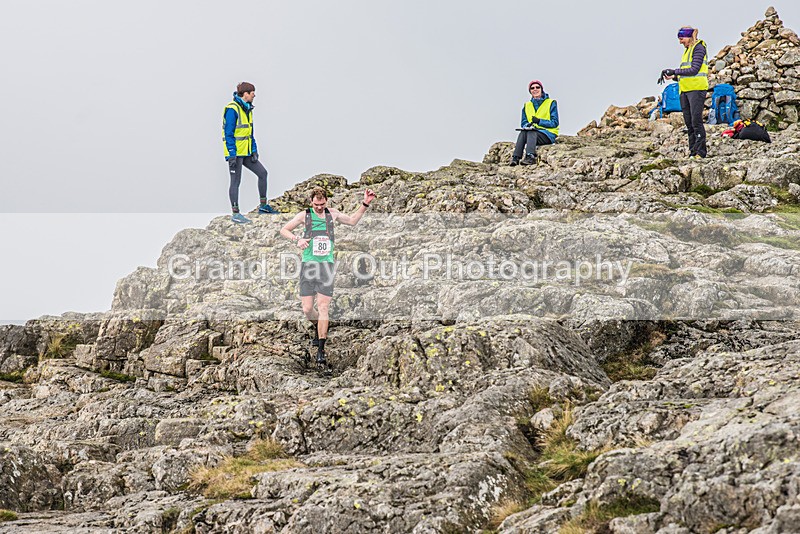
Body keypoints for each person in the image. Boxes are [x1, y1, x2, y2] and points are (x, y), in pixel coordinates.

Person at [279, 187, 377, 367]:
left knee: (323, 307)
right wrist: (297, 240)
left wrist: (365, 203)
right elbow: (284, 230)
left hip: (326, 266)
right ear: (311, 202)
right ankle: (318, 329)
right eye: (316, 204)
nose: (319, 207)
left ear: (326, 201)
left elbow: (353, 221)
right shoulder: (304, 215)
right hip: (308, 266)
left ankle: (321, 350)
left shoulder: (332, 214)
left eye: (322, 204)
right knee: (308, 309)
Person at [222, 81, 277, 224]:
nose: (254, 95)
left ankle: (263, 206)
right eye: (252, 93)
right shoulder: (232, 109)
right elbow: (228, 134)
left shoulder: (247, 109)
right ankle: (235, 214)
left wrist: (254, 150)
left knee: (263, 173)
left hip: (246, 152)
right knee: (236, 181)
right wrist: (232, 154)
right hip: (235, 154)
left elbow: (250, 133)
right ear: (245, 94)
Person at [660, 27, 709, 159]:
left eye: (681, 39)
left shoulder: (699, 48)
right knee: (689, 122)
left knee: (696, 120)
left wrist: (675, 71)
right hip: (686, 90)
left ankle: (700, 152)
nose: (680, 42)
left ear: (689, 37)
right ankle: (693, 151)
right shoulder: (688, 50)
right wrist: (674, 77)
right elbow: (687, 73)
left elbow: (694, 69)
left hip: (697, 89)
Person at [510, 80, 559, 166]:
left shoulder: (551, 103)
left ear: (541, 89)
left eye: (537, 87)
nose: (535, 89)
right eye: (532, 88)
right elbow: (524, 122)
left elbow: (554, 123)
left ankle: (530, 156)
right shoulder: (527, 105)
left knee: (531, 132)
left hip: (548, 134)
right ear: (530, 91)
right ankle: (516, 158)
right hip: (532, 135)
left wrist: (540, 121)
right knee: (523, 132)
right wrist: (527, 125)